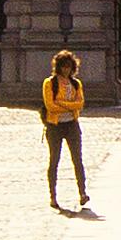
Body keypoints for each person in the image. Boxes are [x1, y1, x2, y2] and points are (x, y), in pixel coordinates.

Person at [41, 42, 89, 211]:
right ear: (58, 67)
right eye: (63, 67)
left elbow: (80, 104)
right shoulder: (50, 83)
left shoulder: (76, 84)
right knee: (54, 160)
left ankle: (83, 193)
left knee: (78, 160)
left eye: (68, 67)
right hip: (55, 126)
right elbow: (50, 106)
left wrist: (64, 104)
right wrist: (69, 104)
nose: (66, 70)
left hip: (71, 125)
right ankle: (53, 195)